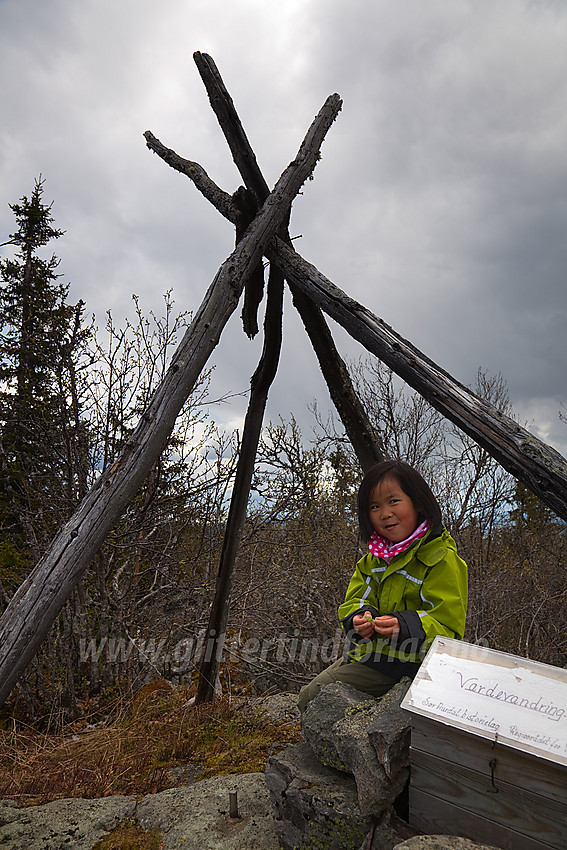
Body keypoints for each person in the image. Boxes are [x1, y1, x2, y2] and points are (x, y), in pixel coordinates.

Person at [298, 459, 467, 712]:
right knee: (310, 694)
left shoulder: (441, 559)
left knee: (312, 696)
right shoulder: (373, 560)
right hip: (372, 657)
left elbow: (448, 627)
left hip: (409, 665)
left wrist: (405, 625)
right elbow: (355, 601)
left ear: (418, 503)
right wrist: (359, 619)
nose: (385, 513)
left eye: (393, 501)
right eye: (374, 506)